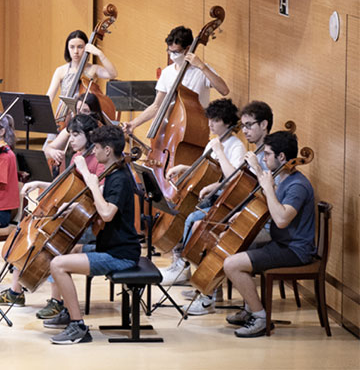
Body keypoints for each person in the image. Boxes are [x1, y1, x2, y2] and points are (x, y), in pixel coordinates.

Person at [0, 114, 102, 313]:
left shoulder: (98, 159)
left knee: (53, 245)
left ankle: (56, 301)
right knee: (28, 236)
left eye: (76, 135)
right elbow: (63, 186)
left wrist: (73, 202)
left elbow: (99, 193)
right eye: (71, 135)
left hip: (85, 220)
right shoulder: (77, 156)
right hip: (66, 214)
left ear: (90, 136)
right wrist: (39, 183)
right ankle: (16, 292)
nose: (71, 139)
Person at [45, 125, 141, 344]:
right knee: (63, 250)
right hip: (109, 246)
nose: (93, 152)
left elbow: (106, 213)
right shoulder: (113, 172)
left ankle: (78, 327)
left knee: (58, 264)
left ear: (108, 150)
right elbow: (100, 208)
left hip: (120, 255)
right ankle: (69, 312)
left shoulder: (120, 178)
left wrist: (90, 179)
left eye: (96, 147)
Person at [222, 131, 316, 337]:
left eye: (267, 154)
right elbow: (270, 209)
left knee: (232, 264)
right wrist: (241, 214)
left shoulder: (297, 185)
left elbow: (282, 219)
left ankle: (260, 318)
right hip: (281, 243)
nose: (264, 159)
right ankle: (250, 309)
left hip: (294, 249)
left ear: (281, 157)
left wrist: (269, 189)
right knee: (235, 247)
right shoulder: (281, 177)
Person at [159, 99, 246, 299]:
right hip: (211, 199)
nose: (210, 125)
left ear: (226, 122)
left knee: (192, 221)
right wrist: (184, 168)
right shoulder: (213, 142)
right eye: (210, 120)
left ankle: (202, 278)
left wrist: (220, 153)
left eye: (215, 121)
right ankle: (194, 273)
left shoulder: (235, 146)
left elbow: (235, 179)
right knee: (182, 214)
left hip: (226, 203)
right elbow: (205, 169)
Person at [123, 25, 230, 134]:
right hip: (172, 129)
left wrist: (202, 66)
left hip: (197, 130)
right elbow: (156, 106)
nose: (172, 56)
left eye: (176, 52)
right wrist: (133, 123)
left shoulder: (202, 70)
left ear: (188, 49)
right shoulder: (166, 73)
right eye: (170, 51)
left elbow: (224, 90)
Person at [44, 31, 118, 118]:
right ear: (67, 48)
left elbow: (113, 74)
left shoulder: (93, 69)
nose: (75, 51)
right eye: (72, 47)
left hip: (85, 117)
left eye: (80, 47)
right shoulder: (61, 70)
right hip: (64, 115)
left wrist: (100, 54)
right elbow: (49, 97)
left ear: (86, 48)